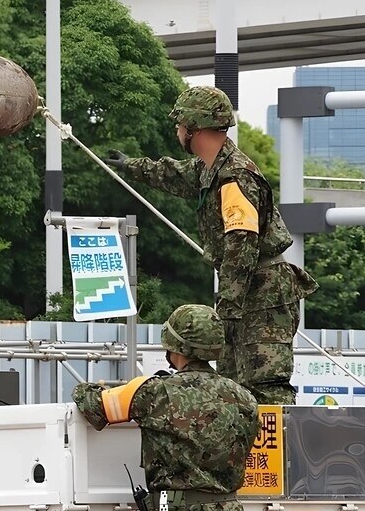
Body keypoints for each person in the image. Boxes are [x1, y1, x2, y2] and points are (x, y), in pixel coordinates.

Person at [104, 86, 318, 405]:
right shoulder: (211, 168)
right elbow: (173, 173)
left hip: (262, 293)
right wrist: (130, 166)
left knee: (263, 386)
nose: (177, 130)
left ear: (195, 128)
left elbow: (240, 245)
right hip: (248, 291)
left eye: (180, 125)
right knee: (235, 386)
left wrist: (227, 307)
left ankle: (278, 454)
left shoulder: (234, 176)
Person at [73, 304, 258, 511]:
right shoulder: (245, 398)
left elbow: (94, 407)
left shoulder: (156, 392)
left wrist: (86, 388)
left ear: (173, 345)